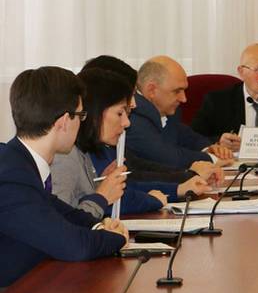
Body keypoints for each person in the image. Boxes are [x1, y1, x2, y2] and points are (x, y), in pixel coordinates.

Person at [0, 67, 127, 288]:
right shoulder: (11, 176)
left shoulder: (19, 163)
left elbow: (64, 214)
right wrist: (119, 238)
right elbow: (75, 246)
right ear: (64, 121)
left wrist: (100, 226)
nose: (82, 122)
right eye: (81, 115)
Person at [51, 69, 212, 219]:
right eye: (120, 113)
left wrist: (103, 189)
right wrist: (103, 197)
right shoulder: (66, 156)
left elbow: (119, 190)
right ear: (96, 111)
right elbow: (61, 223)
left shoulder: (83, 152)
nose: (127, 122)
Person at [82, 55, 225, 183]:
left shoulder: (164, 111)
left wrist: (206, 154)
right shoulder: (134, 118)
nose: (133, 104)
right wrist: (190, 175)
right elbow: (151, 166)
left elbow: (135, 167)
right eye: (130, 95)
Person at [126, 56, 233, 169]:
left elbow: (185, 135)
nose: (183, 99)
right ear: (151, 90)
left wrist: (208, 148)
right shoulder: (131, 115)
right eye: (177, 91)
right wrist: (212, 159)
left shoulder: (167, 110)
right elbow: (167, 158)